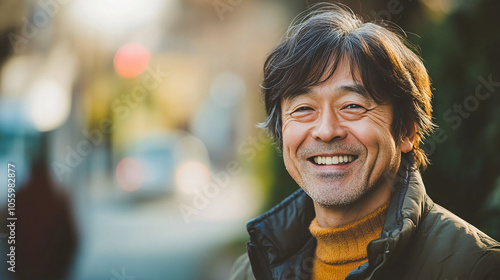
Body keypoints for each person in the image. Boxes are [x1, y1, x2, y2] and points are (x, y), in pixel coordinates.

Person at [229, 3, 500, 280]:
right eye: (303, 108)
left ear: (407, 131)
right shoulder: (252, 270)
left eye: (352, 105)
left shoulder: (475, 267)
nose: (326, 130)